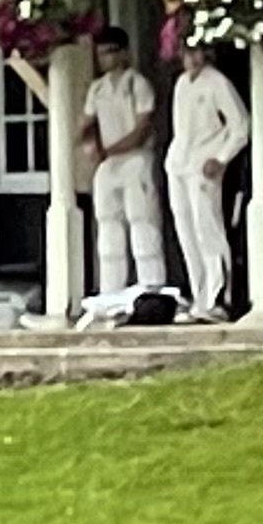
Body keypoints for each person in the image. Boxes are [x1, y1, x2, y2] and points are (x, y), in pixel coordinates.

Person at [78, 26, 170, 314]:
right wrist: (91, 145)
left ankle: (152, 290)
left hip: (135, 159)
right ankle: (111, 293)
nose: (104, 58)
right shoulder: (97, 88)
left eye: (109, 52)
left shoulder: (137, 84)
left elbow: (142, 128)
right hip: (109, 164)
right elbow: (86, 123)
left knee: (142, 222)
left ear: (123, 53)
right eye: (100, 53)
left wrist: (110, 148)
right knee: (108, 225)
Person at [163, 33, 251, 323]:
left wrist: (221, 157)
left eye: (196, 51)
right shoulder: (181, 84)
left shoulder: (217, 82)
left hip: (204, 164)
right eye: (186, 52)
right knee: (186, 232)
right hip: (180, 164)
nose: (191, 58)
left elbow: (241, 125)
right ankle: (199, 297)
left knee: (208, 229)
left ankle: (219, 297)